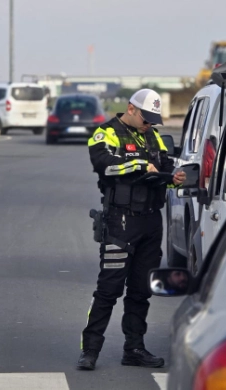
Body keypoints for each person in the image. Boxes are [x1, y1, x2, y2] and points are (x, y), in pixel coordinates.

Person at [77, 88, 186, 371]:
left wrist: (176, 177)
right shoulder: (106, 132)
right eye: (146, 118)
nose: (150, 124)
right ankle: (90, 350)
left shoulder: (155, 137)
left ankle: (134, 349)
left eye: (153, 119)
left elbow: (164, 169)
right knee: (109, 289)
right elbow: (103, 165)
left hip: (151, 222)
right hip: (120, 222)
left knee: (141, 290)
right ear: (131, 109)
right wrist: (139, 164)